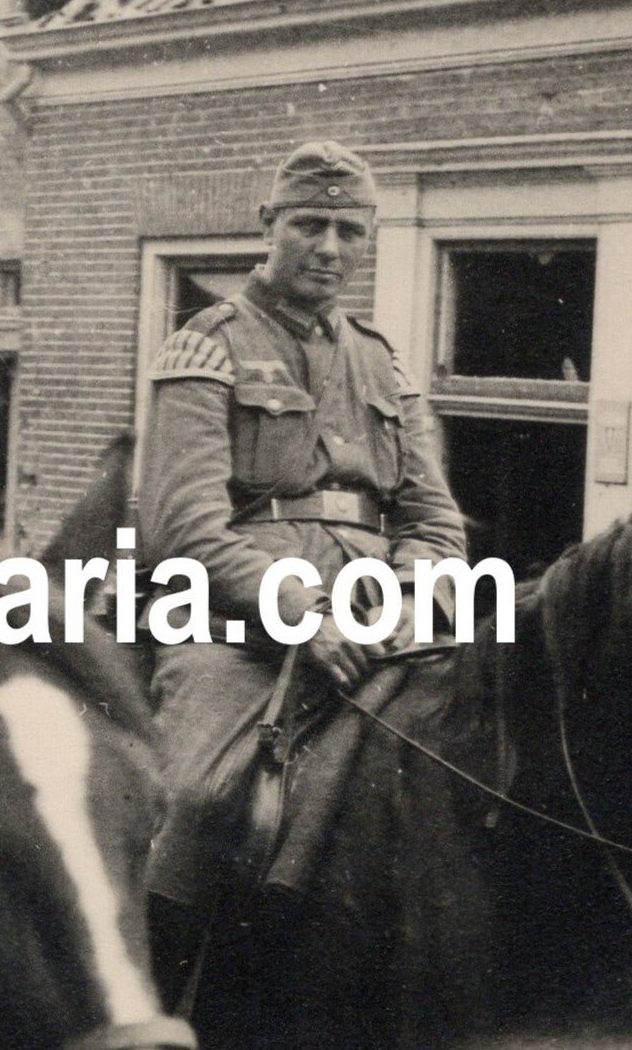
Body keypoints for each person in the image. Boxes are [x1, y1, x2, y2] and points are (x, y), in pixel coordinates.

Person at [139, 140, 468, 911]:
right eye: (309, 225)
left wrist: (411, 597)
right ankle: (167, 993)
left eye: (349, 231)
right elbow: (183, 525)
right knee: (194, 802)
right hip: (238, 635)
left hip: (380, 631)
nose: (329, 248)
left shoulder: (385, 363)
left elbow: (436, 520)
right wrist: (302, 618)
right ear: (269, 224)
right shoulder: (208, 345)